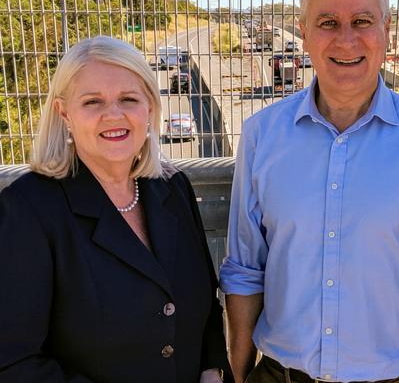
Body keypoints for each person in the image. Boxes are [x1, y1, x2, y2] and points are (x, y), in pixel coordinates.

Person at [220, 0, 399, 383]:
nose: (346, 39)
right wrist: (239, 375)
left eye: (362, 21)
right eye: (327, 22)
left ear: (386, 30)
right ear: (303, 33)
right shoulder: (261, 136)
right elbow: (245, 271)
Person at [0, 36, 231, 383]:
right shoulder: (28, 209)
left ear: (149, 108)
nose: (114, 115)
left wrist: (212, 371)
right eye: (93, 102)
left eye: (128, 98)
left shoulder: (172, 188)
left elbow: (204, 307)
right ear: (64, 114)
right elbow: (14, 363)